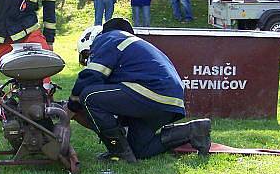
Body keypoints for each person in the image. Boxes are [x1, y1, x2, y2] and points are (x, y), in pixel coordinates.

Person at [66, 18, 212, 162]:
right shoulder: (126, 43)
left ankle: (118, 152)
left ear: (91, 41)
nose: (88, 60)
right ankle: (194, 130)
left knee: (88, 96)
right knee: (138, 150)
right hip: (166, 98)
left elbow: (91, 76)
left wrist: (72, 104)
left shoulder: (107, 39)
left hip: (151, 91)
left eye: (87, 56)